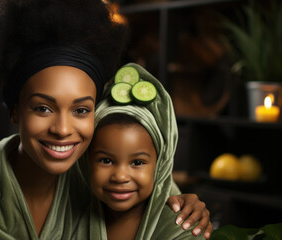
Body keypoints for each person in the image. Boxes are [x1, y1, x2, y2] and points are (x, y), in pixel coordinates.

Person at [0, 1, 211, 239]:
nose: (62, 129)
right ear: (15, 110)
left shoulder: (103, 178)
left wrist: (185, 207)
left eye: (81, 110)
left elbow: (159, 201)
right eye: (43, 108)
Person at [75, 63, 210, 239]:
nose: (120, 176)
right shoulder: (69, 221)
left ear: (160, 165)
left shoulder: (182, 228)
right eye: (106, 160)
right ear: (86, 161)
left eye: (137, 162)